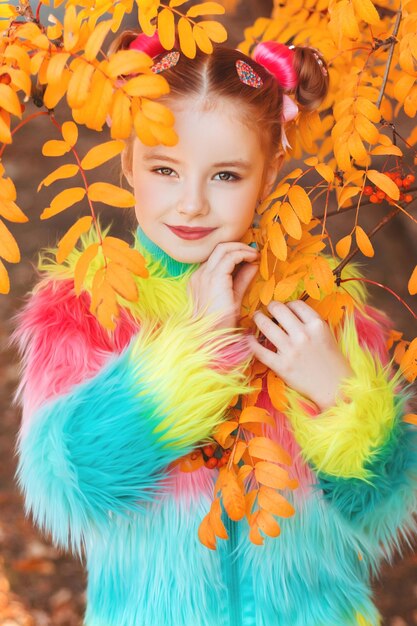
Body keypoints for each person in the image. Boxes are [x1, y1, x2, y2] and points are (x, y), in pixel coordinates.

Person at [10, 27, 417, 626]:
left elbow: (381, 506)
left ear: (270, 173)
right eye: (166, 168)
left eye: (225, 175)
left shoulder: (322, 310)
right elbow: (69, 486)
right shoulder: (86, 306)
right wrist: (190, 350)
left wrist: (343, 399)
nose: (192, 203)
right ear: (128, 163)